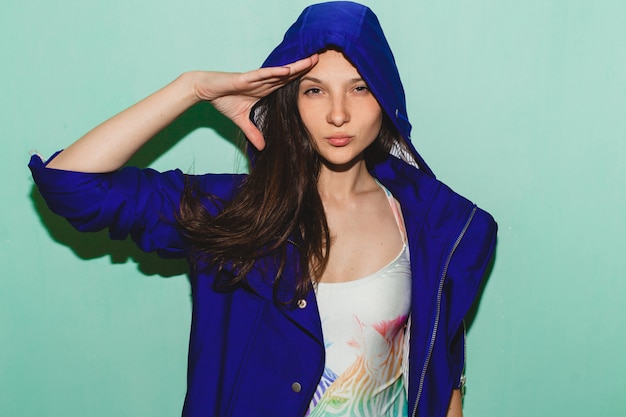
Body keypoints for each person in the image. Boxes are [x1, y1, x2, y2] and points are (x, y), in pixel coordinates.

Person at [29, 2, 497, 417]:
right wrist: (191, 88)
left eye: (359, 88)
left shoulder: (437, 226)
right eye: (315, 90)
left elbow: (440, 374)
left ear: (387, 100)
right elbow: (70, 184)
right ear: (290, 101)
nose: (338, 114)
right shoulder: (236, 212)